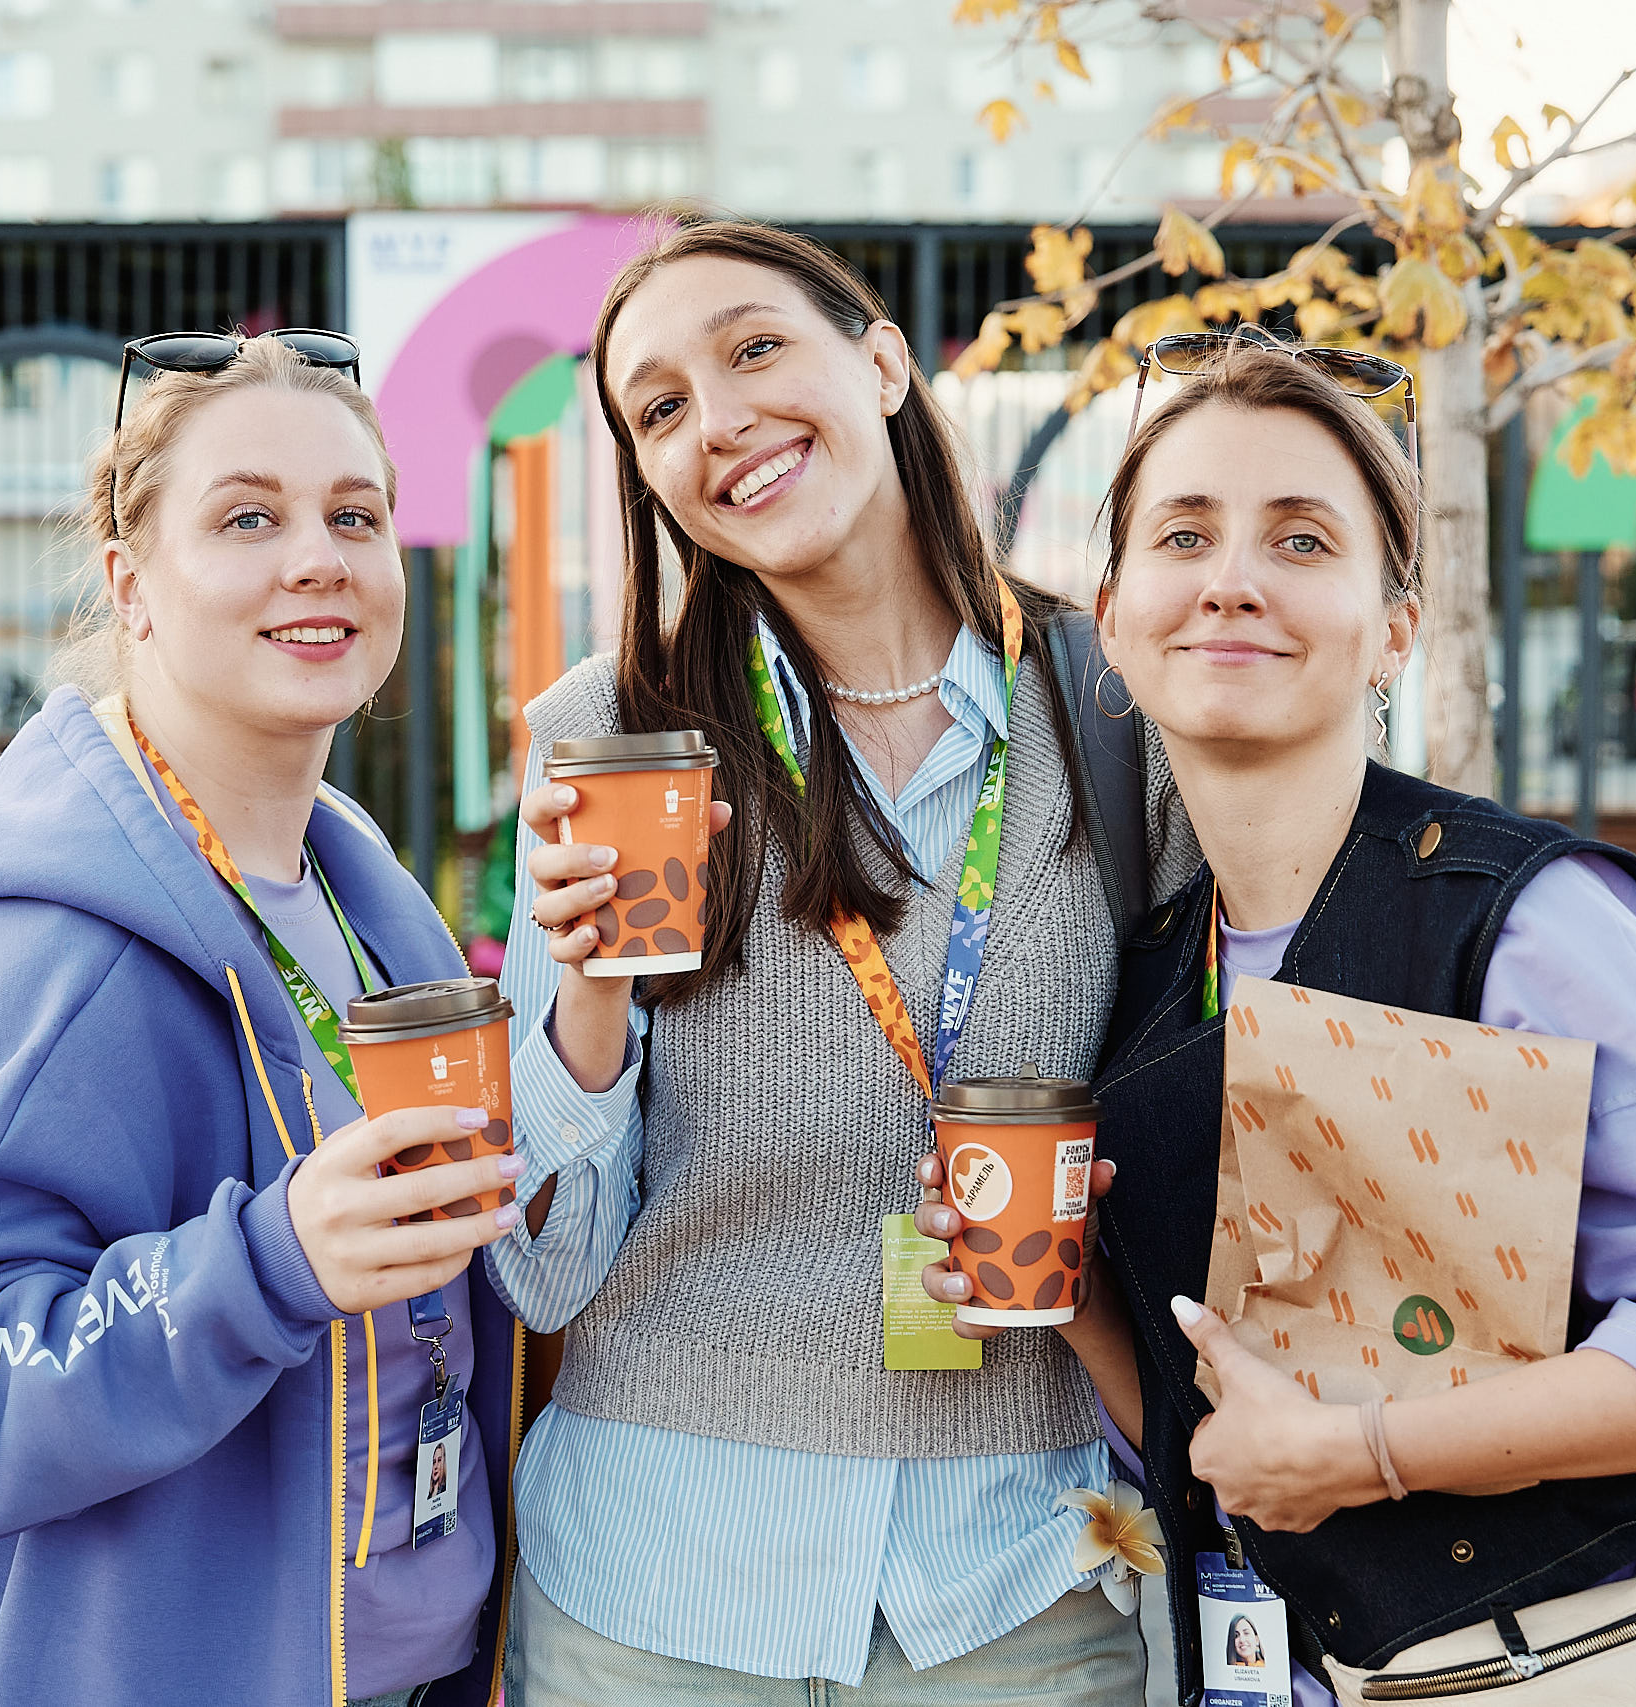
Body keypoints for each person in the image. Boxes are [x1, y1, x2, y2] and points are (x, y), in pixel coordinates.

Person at [955, 340, 1636, 1701]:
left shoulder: (1520, 921)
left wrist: (1367, 1450)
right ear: (1115, 617)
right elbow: (1229, 1457)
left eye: (1301, 540)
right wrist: (1077, 1293)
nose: (1231, 579)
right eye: (1184, 535)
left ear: (1395, 627)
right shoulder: (1149, 978)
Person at [493, 220, 1193, 1701]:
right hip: (652, 1591)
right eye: (660, 408)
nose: (717, 419)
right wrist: (589, 992)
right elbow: (543, 1268)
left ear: (882, 362)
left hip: (1016, 1586)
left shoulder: (1121, 717)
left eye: (754, 349)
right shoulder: (609, 740)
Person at [0, 333, 523, 1707]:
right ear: (131, 585)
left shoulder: (365, 903)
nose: (316, 558)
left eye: (354, 516)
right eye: (247, 518)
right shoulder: (48, 950)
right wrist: (268, 1263)